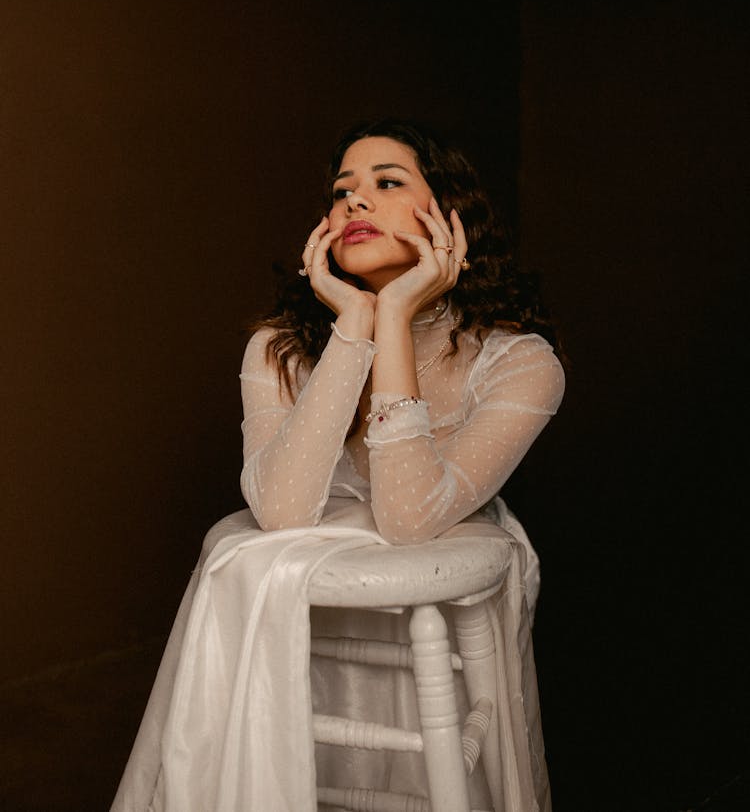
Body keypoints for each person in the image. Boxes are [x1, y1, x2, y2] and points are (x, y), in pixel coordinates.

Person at [111, 119, 564, 812]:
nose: (354, 202)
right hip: (319, 589)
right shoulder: (278, 349)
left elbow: (409, 519)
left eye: (386, 183)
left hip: (429, 576)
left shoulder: (522, 363)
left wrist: (398, 316)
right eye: (341, 190)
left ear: (450, 216)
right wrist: (356, 323)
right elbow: (285, 514)